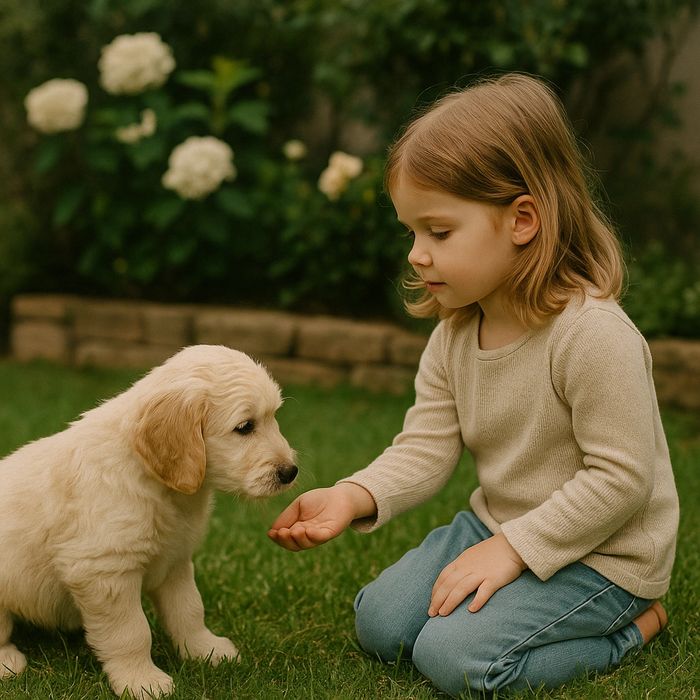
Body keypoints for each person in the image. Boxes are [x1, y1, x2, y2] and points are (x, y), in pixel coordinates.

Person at [268, 73, 679, 696]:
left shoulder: (593, 336)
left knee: (459, 661)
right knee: (379, 623)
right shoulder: (458, 332)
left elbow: (621, 480)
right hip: (498, 527)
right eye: (411, 232)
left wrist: (515, 550)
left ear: (522, 220)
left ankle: (634, 629)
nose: (416, 253)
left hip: (602, 557)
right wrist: (354, 495)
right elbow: (428, 446)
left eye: (438, 232)